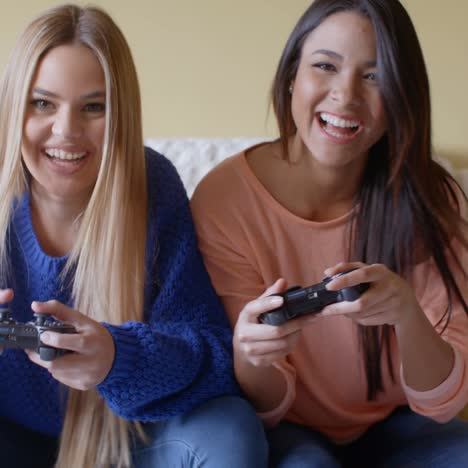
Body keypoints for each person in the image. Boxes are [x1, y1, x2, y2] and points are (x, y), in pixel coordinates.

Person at [191, 0, 468, 466]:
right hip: (292, 431)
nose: (346, 96)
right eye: (325, 66)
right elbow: (267, 407)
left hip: (399, 424)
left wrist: (407, 315)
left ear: (403, 95)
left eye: (374, 76)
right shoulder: (224, 200)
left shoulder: (432, 198)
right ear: (291, 77)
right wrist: (252, 353)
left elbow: (444, 403)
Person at [0, 4, 268, 468]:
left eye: (93, 107)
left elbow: (216, 360)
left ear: (121, 113)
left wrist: (117, 357)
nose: (66, 130)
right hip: (12, 436)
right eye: (42, 103)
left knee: (231, 432)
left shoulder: (153, 186)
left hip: (132, 440)